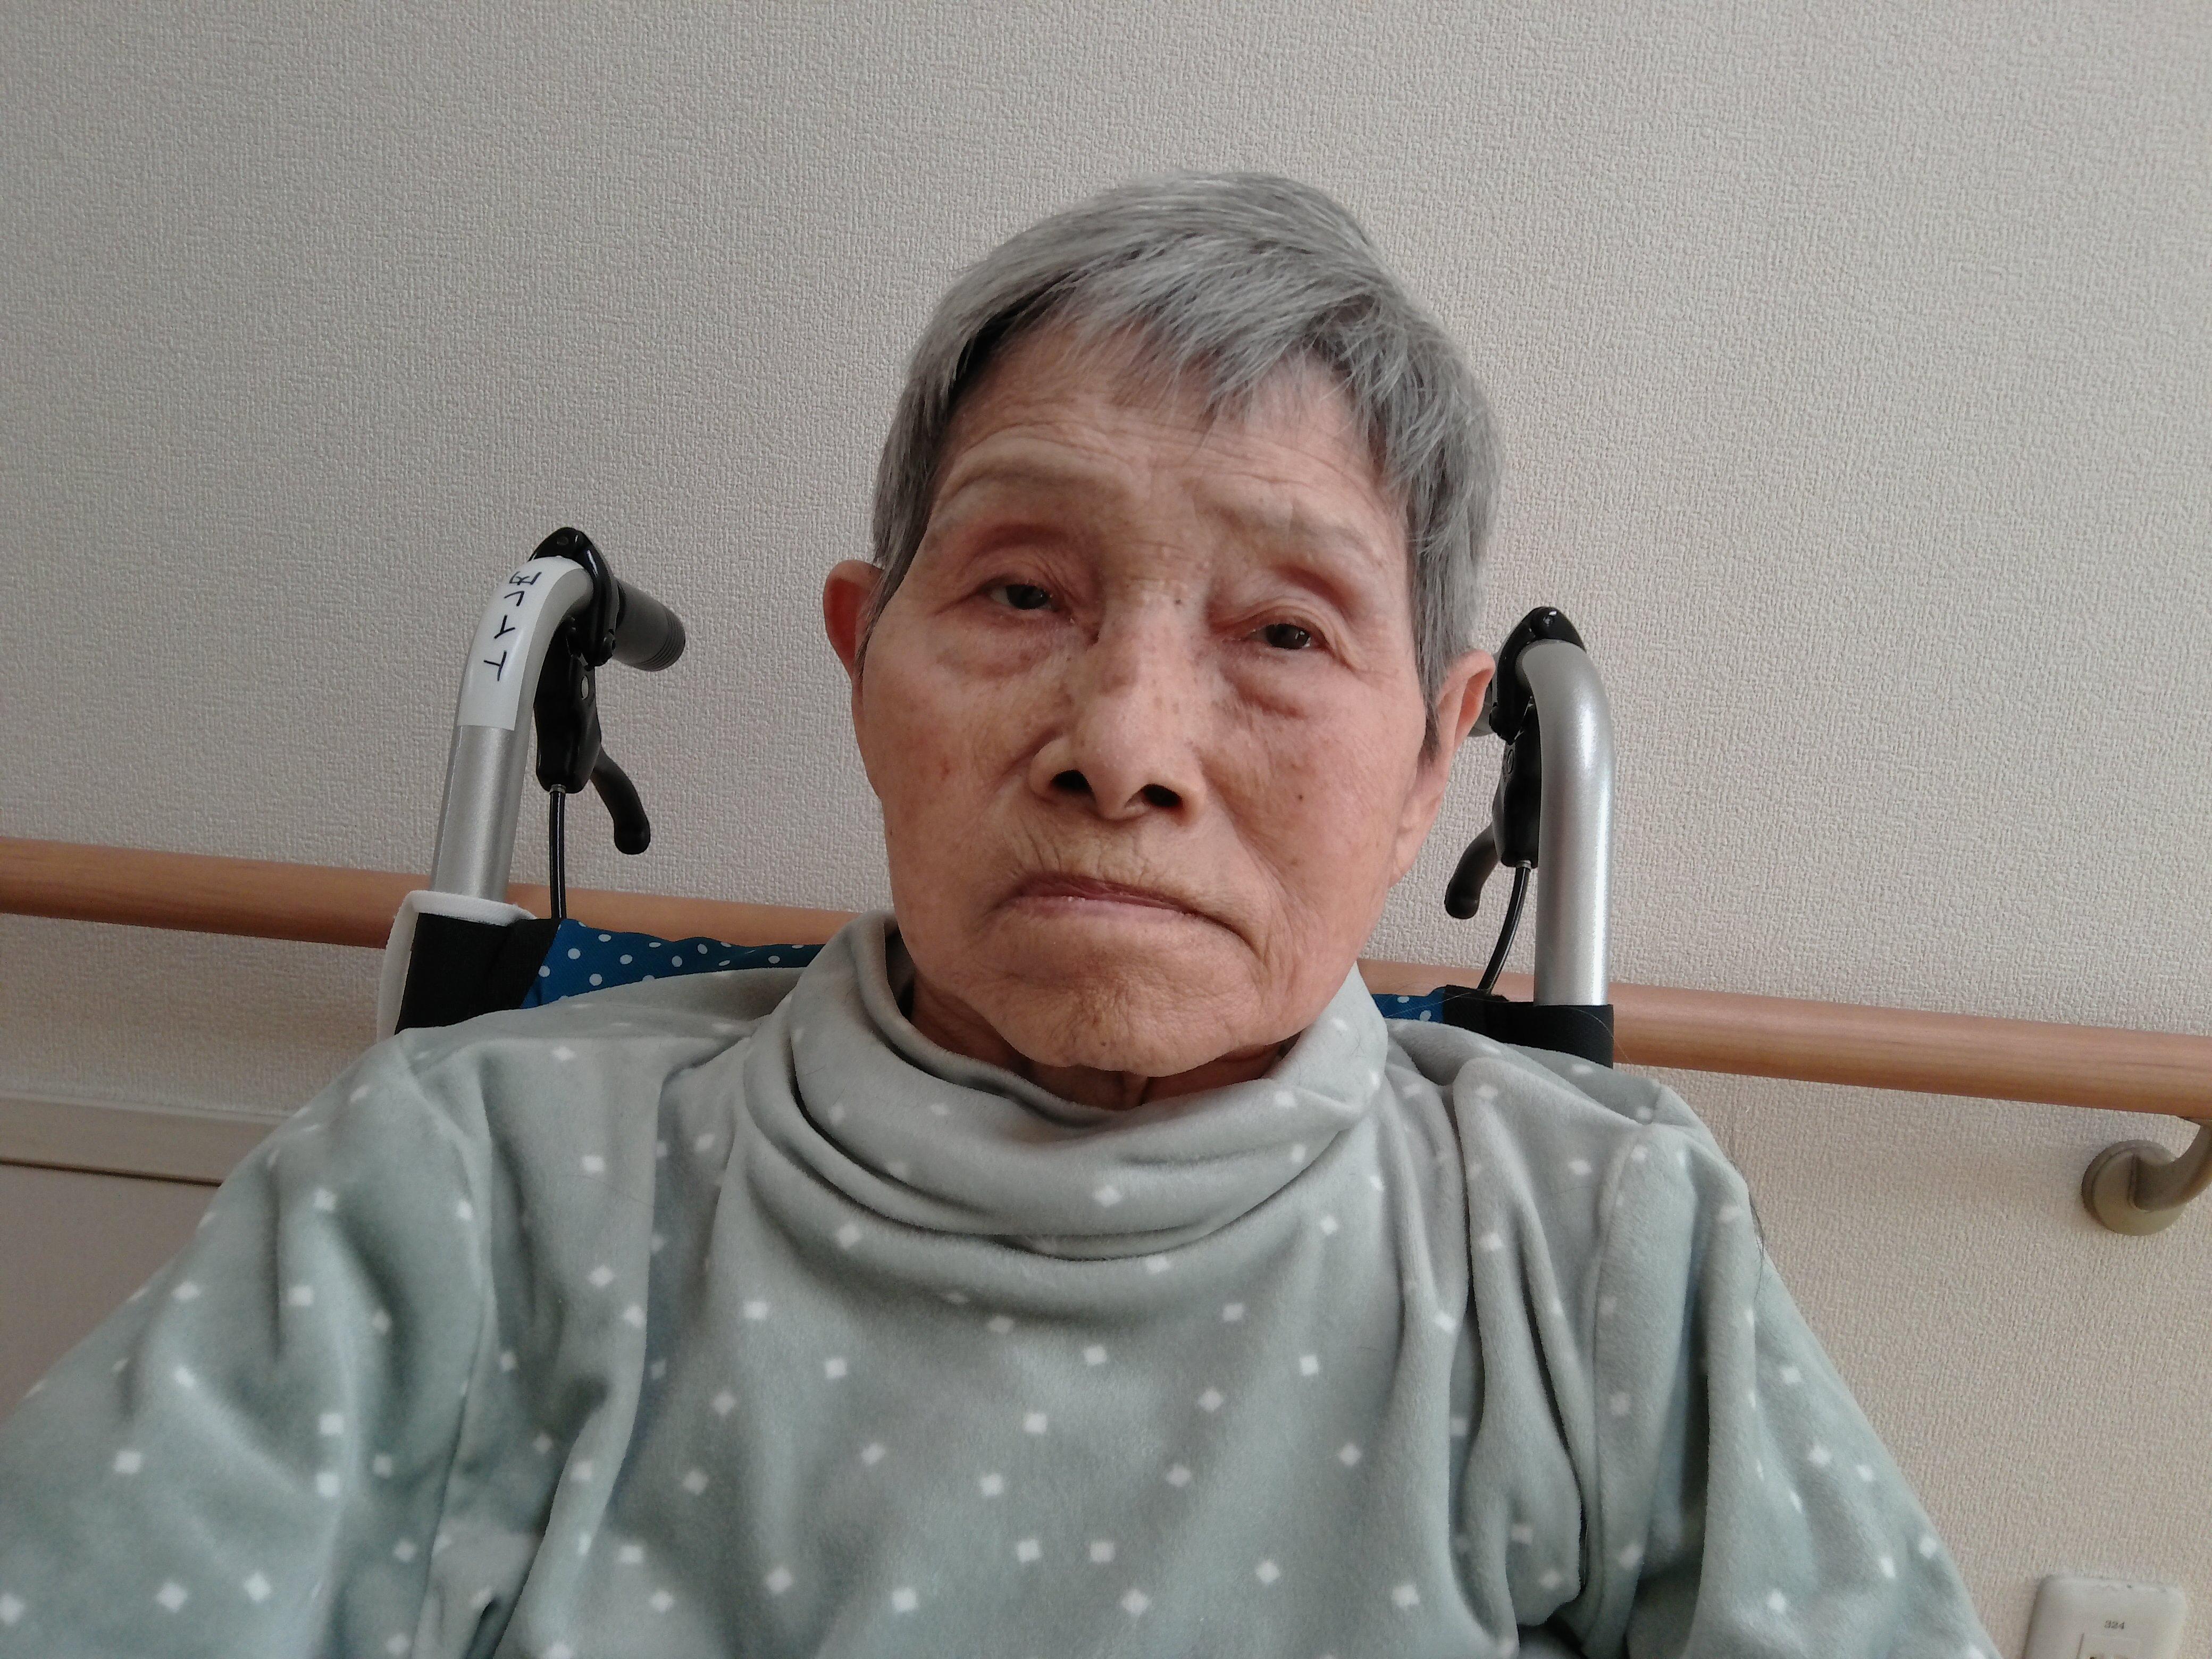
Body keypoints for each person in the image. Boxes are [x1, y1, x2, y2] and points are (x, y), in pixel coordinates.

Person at [0, 173, 1995, 1658]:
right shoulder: (460, 1190)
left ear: (1427, 760)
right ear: (868, 663)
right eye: (1023, 593)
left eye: (1285, 632)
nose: (1124, 746)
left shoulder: (1605, 1250)